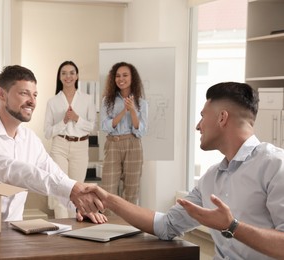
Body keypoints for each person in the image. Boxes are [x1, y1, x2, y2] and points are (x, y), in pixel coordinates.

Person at [88, 82, 284, 259]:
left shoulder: (275, 165)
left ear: (222, 118)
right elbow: (166, 226)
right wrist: (108, 199)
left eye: (202, 117)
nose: (198, 126)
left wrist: (232, 226)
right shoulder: (211, 178)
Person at [0, 65, 106, 224]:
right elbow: (9, 169)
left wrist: (79, 206)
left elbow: (54, 175)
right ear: (1, 94)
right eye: (24, 93)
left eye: (35, 95)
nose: (32, 101)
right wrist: (72, 188)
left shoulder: (30, 139)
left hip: (12, 232)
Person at [44, 61, 96, 218]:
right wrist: (64, 121)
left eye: (72, 72)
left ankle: (74, 229)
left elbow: (92, 127)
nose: (68, 76)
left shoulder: (87, 99)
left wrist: (76, 118)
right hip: (59, 145)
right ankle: (62, 229)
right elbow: (47, 132)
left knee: (77, 190)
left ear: (77, 76)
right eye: (64, 73)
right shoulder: (52, 102)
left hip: (80, 147)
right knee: (60, 188)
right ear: (60, 77)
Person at [100, 61, 148, 213]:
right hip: (113, 144)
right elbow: (105, 126)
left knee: (131, 190)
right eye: (118, 76)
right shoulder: (107, 101)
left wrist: (132, 110)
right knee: (107, 190)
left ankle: (128, 227)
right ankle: (106, 226)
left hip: (133, 144)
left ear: (132, 78)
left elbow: (140, 131)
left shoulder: (141, 103)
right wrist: (123, 112)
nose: (121, 79)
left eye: (125, 75)